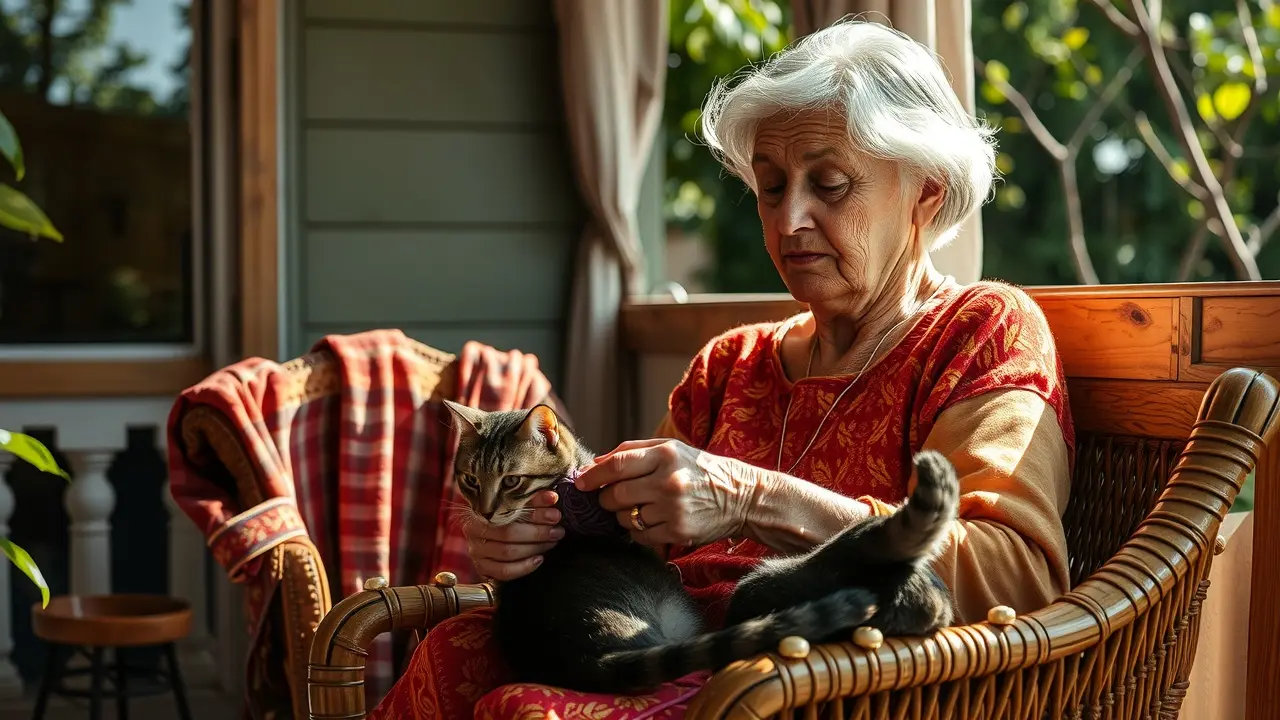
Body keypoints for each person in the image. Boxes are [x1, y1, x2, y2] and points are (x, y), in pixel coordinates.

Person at [369, 19, 1073, 720]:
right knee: (454, 650)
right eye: (770, 188)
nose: (790, 217)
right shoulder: (729, 364)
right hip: (674, 655)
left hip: (824, 684)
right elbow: (632, 552)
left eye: (829, 184)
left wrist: (751, 498)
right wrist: (529, 537)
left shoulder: (982, 331)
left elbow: (1015, 571)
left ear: (926, 188)